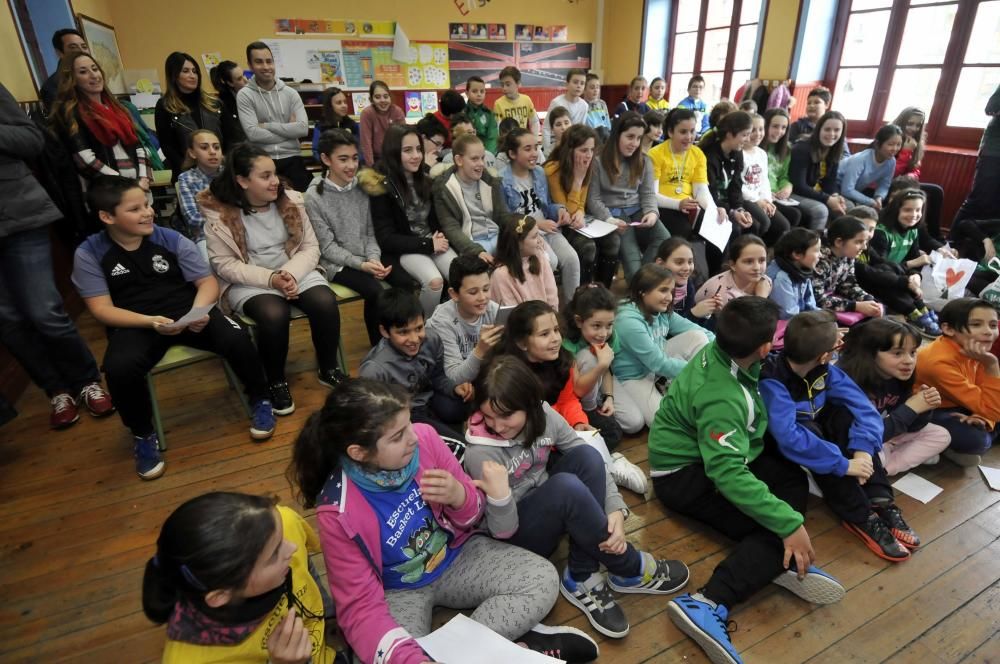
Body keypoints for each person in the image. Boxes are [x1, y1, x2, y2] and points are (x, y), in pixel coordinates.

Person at [290, 378, 599, 663]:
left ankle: (484, 650)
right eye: (398, 436)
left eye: (409, 423)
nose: (413, 438)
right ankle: (509, 646)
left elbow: (477, 514)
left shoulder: (425, 438)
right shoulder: (337, 510)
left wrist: (460, 497)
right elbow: (358, 609)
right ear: (359, 452)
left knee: (542, 578)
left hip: (458, 556)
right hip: (398, 591)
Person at [651, 297, 845, 664]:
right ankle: (708, 601)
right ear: (763, 347)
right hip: (684, 476)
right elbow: (727, 474)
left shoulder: (722, 348)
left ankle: (775, 560)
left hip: (712, 456)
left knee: (791, 480)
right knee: (777, 528)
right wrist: (790, 526)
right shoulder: (723, 398)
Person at [465, 355, 690, 639]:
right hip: (511, 538)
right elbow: (501, 530)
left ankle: (581, 575)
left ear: (530, 404)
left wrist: (616, 511)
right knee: (566, 487)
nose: (496, 426)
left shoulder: (544, 416)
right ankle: (628, 566)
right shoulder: (481, 453)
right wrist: (499, 496)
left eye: (506, 415)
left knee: (585, 454)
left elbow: (589, 459)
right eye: (487, 416)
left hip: (547, 510)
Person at [74, 175, 274, 479]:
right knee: (118, 368)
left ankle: (261, 399)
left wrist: (199, 311)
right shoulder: (89, 253)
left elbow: (205, 283)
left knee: (237, 336)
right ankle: (142, 434)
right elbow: (101, 309)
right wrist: (150, 322)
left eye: (147, 204)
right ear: (107, 217)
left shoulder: (170, 238)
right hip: (136, 322)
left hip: (188, 310)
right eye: (135, 209)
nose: (148, 212)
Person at [199, 142, 345, 415]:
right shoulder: (219, 214)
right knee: (273, 314)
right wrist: (272, 279)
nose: (275, 182)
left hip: (294, 269)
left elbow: (310, 248)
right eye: (265, 176)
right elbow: (224, 264)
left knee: (325, 302)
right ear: (242, 181)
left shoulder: (292, 201)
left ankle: (329, 368)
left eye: (274, 174)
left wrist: (288, 274)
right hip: (251, 279)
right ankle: (275, 380)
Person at [0, 82, 113, 430]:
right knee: (8, 321)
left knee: (44, 311)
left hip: (19, 215)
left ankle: (87, 381)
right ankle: (56, 390)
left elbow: (32, 140)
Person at [760, 310, 915, 562]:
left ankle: (881, 499)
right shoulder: (773, 381)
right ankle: (860, 514)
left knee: (844, 414)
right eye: (837, 345)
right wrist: (845, 465)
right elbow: (789, 438)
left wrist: (863, 450)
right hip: (779, 449)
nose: (837, 351)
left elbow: (864, 408)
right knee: (810, 433)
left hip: (813, 436)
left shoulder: (825, 371)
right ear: (824, 355)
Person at [142, 492, 340, 663]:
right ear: (219, 596)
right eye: (274, 554)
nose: (292, 548)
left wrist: (330, 615)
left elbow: (306, 566)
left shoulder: (283, 524)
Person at [495, 300, 643, 489]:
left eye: (556, 330)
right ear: (522, 343)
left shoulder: (562, 359)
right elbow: (530, 423)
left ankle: (605, 465)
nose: (556, 338)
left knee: (610, 429)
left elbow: (568, 400)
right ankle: (605, 467)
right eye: (544, 334)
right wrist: (567, 434)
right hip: (535, 434)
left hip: (560, 422)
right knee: (551, 461)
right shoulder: (511, 375)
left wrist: (578, 423)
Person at [305, 129, 409, 346]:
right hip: (338, 264)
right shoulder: (314, 196)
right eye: (343, 159)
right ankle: (379, 347)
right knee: (375, 292)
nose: (351, 166)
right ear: (325, 159)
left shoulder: (362, 186)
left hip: (367, 256)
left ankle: (402, 337)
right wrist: (362, 265)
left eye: (354, 158)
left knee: (404, 283)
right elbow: (327, 247)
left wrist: (373, 258)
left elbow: (371, 232)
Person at [838, 318, 951, 477]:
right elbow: (860, 438)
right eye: (897, 353)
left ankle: (884, 470)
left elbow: (912, 427)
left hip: (888, 433)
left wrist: (924, 409)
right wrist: (910, 409)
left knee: (941, 435)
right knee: (872, 458)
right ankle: (884, 463)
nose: (909, 361)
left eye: (912, 352)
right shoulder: (847, 384)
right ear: (870, 353)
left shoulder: (897, 376)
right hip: (857, 444)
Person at [364, 124, 454, 318]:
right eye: (407, 150)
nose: (416, 155)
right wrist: (428, 243)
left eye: (419, 149)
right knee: (434, 282)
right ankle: (422, 327)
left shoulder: (426, 180)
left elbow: (435, 220)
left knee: (460, 276)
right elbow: (387, 238)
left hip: (431, 242)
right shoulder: (382, 188)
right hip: (405, 248)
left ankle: (451, 324)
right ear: (393, 153)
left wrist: (438, 236)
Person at [612, 264, 714, 428]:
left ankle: (683, 389)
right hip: (634, 375)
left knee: (699, 337)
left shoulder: (662, 310)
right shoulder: (628, 321)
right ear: (642, 291)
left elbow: (698, 330)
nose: (669, 297)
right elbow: (658, 363)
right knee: (652, 422)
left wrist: (724, 351)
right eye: (663, 290)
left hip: (655, 366)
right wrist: (699, 370)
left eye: (671, 291)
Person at [359, 288, 467, 441]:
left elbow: (437, 377)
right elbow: (375, 417)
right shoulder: (374, 369)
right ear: (384, 331)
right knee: (460, 444)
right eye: (403, 332)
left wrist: (454, 387)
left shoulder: (432, 339)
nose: (414, 339)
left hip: (430, 400)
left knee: (468, 405)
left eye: (419, 328)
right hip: (406, 417)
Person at [914, 297, 1000, 466]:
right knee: (976, 440)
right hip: (933, 409)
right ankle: (943, 444)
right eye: (976, 325)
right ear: (948, 328)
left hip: (965, 401)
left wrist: (983, 418)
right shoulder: (939, 362)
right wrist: (992, 365)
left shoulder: (975, 348)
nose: (989, 332)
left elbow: (987, 392)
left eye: (993, 325)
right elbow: (992, 404)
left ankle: (958, 441)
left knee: (988, 419)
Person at [49, 53, 150, 194]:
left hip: (137, 186)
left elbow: (138, 145)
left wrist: (143, 177)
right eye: (83, 72)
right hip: (107, 190)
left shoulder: (119, 108)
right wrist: (124, 184)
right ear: (72, 79)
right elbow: (84, 159)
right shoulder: (71, 113)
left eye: (95, 69)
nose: (94, 75)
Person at [499, 127, 581, 301]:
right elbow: (506, 219)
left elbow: (547, 204)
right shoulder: (502, 180)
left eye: (536, 147)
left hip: (549, 228)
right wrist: (536, 225)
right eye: (527, 149)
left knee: (572, 260)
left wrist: (560, 210)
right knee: (548, 261)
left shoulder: (538, 172)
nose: (535, 153)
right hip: (527, 234)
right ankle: (542, 307)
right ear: (512, 154)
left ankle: (573, 309)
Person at [586, 112, 668, 281]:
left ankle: (644, 283)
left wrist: (652, 212)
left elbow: (647, 193)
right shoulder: (598, 161)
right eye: (630, 137)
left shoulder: (644, 160)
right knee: (632, 263)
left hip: (638, 212)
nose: (635, 143)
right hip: (615, 216)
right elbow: (593, 199)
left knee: (664, 238)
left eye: (638, 138)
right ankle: (641, 283)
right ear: (617, 135)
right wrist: (609, 220)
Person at [562, 283, 647, 443]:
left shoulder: (610, 335)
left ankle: (599, 403)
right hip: (576, 390)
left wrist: (609, 397)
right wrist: (601, 365)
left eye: (609, 325)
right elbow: (578, 389)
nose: (603, 333)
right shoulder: (567, 342)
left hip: (599, 377)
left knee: (634, 423)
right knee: (588, 356)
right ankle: (590, 410)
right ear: (579, 321)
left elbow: (607, 369)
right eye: (596, 326)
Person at [545, 125, 621, 288]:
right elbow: (565, 210)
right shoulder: (552, 170)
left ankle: (602, 292)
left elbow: (580, 204)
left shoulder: (586, 166)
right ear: (569, 149)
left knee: (613, 240)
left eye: (592, 150)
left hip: (577, 221)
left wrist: (580, 211)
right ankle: (583, 298)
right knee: (587, 247)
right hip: (558, 223)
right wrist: (578, 180)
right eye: (583, 150)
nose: (588, 155)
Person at [847, 205, 941, 336]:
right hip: (860, 281)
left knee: (889, 267)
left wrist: (911, 275)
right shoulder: (850, 247)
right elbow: (866, 271)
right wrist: (905, 282)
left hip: (872, 277)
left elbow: (881, 262)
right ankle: (912, 311)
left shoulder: (866, 244)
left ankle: (920, 308)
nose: (867, 233)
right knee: (886, 282)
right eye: (863, 228)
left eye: (871, 229)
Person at [236, 42, 310, 191]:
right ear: (250, 65)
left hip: (292, 157)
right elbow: (253, 134)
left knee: (306, 200)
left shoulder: (291, 93)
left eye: (269, 61)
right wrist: (289, 131)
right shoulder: (245, 95)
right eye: (259, 62)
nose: (266, 67)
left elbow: (302, 129)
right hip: (261, 160)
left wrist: (268, 126)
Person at [648, 108, 719, 255]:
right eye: (683, 132)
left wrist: (713, 210)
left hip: (690, 207)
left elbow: (701, 190)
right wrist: (678, 204)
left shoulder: (697, 154)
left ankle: (714, 275)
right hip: (664, 206)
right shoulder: (655, 154)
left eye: (692, 131)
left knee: (717, 230)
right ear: (670, 132)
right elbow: (651, 195)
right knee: (682, 230)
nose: (689, 136)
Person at [426, 255, 502, 385]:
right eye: (473, 292)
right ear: (454, 294)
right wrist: (480, 350)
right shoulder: (442, 322)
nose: (483, 297)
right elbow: (453, 377)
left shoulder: (492, 310)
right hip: (447, 383)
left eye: (486, 289)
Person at [433, 134, 509, 263]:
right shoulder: (443, 188)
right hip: (471, 242)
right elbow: (451, 228)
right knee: (486, 270)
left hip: (497, 235)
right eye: (474, 159)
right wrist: (476, 251)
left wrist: (522, 232)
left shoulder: (491, 181)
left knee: (538, 256)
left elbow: (503, 216)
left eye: (482, 158)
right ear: (459, 160)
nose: (481, 164)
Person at [154, 52, 222, 179]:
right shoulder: (165, 105)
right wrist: (188, 172)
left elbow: (227, 139)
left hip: (218, 173)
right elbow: (167, 146)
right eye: (186, 71)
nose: (192, 76)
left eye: (195, 71)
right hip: (186, 174)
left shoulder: (213, 103)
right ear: (174, 76)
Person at [811, 215, 882, 319]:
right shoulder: (819, 260)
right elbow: (817, 299)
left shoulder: (848, 255)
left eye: (865, 242)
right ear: (839, 242)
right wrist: (856, 306)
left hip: (831, 299)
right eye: (859, 242)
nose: (864, 247)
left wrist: (868, 300)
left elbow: (847, 284)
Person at [788, 110, 849, 230]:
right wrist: (827, 199)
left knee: (848, 205)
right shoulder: (802, 148)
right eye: (827, 129)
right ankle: (814, 243)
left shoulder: (834, 150)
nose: (832, 134)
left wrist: (835, 195)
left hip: (815, 191)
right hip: (794, 192)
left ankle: (832, 243)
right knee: (821, 210)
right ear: (819, 129)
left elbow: (830, 183)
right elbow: (799, 186)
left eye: (837, 130)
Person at [742, 112, 800, 235]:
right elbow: (738, 185)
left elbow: (764, 181)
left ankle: (765, 250)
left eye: (761, 129)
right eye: (753, 130)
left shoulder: (761, 153)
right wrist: (759, 201)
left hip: (761, 197)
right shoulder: (739, 154)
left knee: (783, 226)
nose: (758, 134)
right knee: (764, 223)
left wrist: (767, 200)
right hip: (746, 198)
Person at [891, 107, 945, 238]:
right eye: (910, 124)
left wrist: (911, 176)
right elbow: (890, 171)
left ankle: (934, 234)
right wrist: (905, 152)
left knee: (936, 191)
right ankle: (924, 237)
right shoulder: (891, 138)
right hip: (888, 185)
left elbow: (915, 169)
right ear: (902, 122)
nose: (914, 128)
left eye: (918, 125)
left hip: (906, 183)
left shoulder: (915, 143)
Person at [870, 188, 950, 275]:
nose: (914, 215)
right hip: (881, 277)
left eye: (918, 210)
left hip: (898, 275)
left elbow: (913, 259)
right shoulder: (881, 233)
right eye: (907, 210)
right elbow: (879, 268)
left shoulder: (913, 231)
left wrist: (916, 276)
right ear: (896, 210)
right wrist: (911, 265)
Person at [953, 89, 1000, 229]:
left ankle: (980, 245)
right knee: (978, 199)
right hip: (994, 151)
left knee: (995, 205)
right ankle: (951, 242)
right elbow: (991, 108)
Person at [489, 215, 558, 308]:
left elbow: (551, 296)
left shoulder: (540, 258)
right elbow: (512, 312)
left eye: (538, 235)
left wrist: (551, 316)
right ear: (518, 243)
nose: (540, 241)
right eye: (534, 237)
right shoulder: (500, 275)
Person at [761, 107, 814, 228]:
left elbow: (784, 176)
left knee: (806, 216)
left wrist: (787, 186)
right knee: (792, 216)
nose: (779, 131)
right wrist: (768, 193)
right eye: (775, 126)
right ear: (765, 125)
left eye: (783, 127)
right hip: (763, 194)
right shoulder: (757, 148)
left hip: (777, 195)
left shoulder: (786, 150)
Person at [175, 129, 223, 254]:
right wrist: (227, 217)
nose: (212, 152)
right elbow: (192, 218)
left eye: (216, 147)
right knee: (207, 261)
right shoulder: (186, 178)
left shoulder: (232, 174)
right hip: (205, 235)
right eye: (204, 147)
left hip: (238, 231)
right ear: (192, 153)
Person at [837, 124, 902, 211]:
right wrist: (870, 202)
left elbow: (884, 184)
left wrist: (879, 197)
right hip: (835, 188)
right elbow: (847, 190)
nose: (895, 149)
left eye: (898, 144)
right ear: (878, 144)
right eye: (890, 144)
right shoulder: (860, 159)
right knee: (852, 210)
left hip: (851, 193)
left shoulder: (891, 161)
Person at [695, 235, 772, 308]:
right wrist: (761, 298)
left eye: (762, 260)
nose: (757, 267)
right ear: (733, 265)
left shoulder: (764, 281)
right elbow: (753, 320)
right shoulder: (721, 294)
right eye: (749, 262)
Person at [655, 237, 717, 322]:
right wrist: (693, 313)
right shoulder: (652, 291)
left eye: (690, 262)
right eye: (679, 262)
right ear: (660, 264)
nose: (687, 268)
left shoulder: (688, 285)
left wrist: (707, 313)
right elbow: (665, 330)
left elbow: (692, 325)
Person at [767, 228, 821, 320]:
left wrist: (825, 317)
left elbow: (810, 305)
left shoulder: (803, 270)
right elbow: (787, 315)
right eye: (816, 250)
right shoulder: (781, 277)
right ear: (797, 254)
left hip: (799, 319)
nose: (820, 255)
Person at [39, 28, 88, 113]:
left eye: (84, 47)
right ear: (60, 53)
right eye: (73, 47)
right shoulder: (52, 86)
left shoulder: (95, 76)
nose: (82, 51)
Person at [360, 80, 405, 165]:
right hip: (376, 158)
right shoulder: (367, 113)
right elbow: (366, 143)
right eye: (377, 97)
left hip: (396, 157)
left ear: (390, 97)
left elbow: (404, 138)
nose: (382, 100)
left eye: (385, 96)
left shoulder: (397, 111)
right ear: (371, 99)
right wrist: (371, 167)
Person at [310, 87, 359, 162]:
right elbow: (316, 151)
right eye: (339, 103)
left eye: (345, 102)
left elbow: (360, 148)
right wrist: (330, 163)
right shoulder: (321, 126)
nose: (344, 105)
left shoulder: (352, 125)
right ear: (329, 106)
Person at [543, 69, 589, 147]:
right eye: (575, 82)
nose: (579, 86)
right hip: (556, 145)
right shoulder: (557, 102)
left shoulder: (584, 105)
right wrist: (547, 150)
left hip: (573, 145)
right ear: (567, 84)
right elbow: (547, 127)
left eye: (582, 83)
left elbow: (580, 130)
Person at [493, 66, 540, 139]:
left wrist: (534, 138)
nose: (504, 88)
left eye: (508, 84)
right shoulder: (498, 104)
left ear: (518, 83)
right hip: (508, 143)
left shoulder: (527, 100)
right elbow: (497, 128)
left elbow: (534, 122)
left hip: (523, 141)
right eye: (502, 85)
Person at [208, 60, 248, 147]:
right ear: (229, 83)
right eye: (239, 78)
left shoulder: (247, 95)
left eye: (244, 74)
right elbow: (236, 136)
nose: (246, 80)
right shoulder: (222, 105)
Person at [464, 76, 498, 154]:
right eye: (474, 91)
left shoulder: (489, 114)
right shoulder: (463, 113)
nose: (479, 94)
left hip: (486, 152)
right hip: (467, 152)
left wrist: (488, 154)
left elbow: (492, 137)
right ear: (467, 93)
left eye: (482, 91)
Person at [583, 73, 612, 140]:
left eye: (598, 87)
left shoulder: (602, 103)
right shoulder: (583, 105)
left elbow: (607, 120)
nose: (596, 90)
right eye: (592, 88)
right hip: (591, 135)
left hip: (605, 134)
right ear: (584, 90)